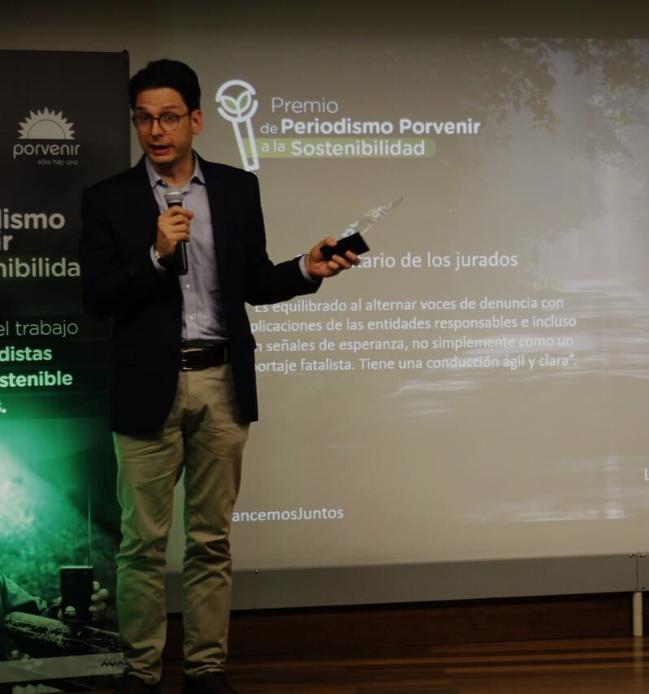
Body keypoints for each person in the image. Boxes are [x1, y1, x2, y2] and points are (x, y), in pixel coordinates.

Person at [79, 59, 359, 694]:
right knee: (141, 544)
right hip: (147, 387)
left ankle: (205, 670)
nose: (156, 130)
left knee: (211, 540)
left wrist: (306, 268)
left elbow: (253, 281)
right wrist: (156, 256)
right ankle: (140, 673)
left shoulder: (236, 189)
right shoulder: (108, 200)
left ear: (197, 120)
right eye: (144, 119)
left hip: (222, 383)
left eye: (169, 117)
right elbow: (97, 298)